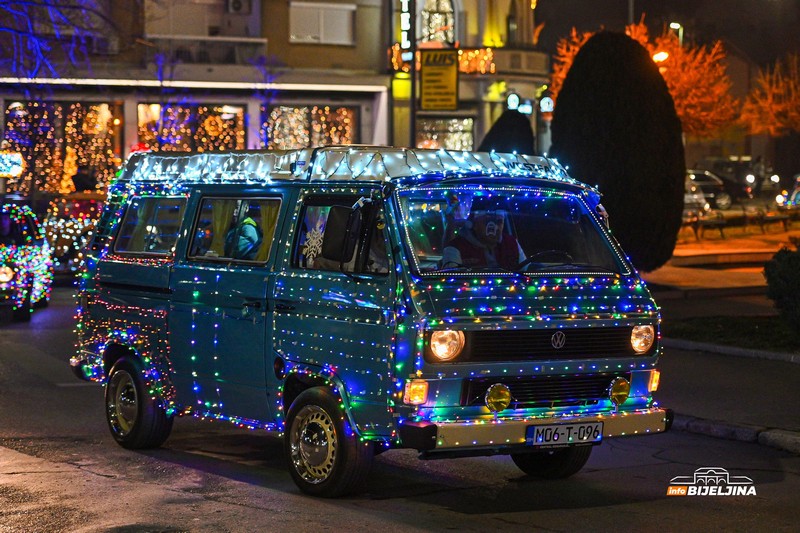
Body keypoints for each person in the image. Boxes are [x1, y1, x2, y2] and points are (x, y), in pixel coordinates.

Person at [441, 196, 525, 269]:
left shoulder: (512, 243)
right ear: (473, 223)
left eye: (499, 221)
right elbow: (454, 283)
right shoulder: (454, 248)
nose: (494, 227)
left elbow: (527, 272)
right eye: (487, 221)